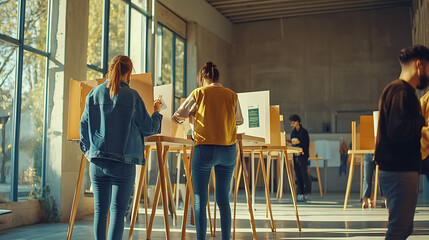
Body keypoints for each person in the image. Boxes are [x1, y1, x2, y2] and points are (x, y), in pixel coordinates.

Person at [80, 55, 163, 240]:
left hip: (97, 163)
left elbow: (83, 127)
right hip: (123, 164)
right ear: (130, 72)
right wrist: (157, 111)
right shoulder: (132, 95)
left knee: (100, 213)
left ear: (110, 70)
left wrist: (89, 153)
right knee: (118, 213)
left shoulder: (93, 94)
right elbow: (149, 128)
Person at [172, 61, 243, 240]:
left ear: (203, 78)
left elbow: (177, 115)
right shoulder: (232, 95)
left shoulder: (199, 93)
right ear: (217, 77)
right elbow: (239, 121)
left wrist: (190, 116)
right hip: (228, 150)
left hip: (204, 149)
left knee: (200, 201)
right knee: (223, 200)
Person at [374, 45, 429, 240]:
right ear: (419, 64)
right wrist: (420, 120)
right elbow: (398, 131)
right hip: (399, 171)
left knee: (403, 229)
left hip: (398, 171)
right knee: (398, 230)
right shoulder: (402, 92)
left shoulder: (397, 90)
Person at [289, 114, 310, 202]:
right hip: (295, 156)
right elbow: (293, 143)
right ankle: (299, 193)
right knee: (297, 174)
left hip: (303, 155)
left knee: (304, 174)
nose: (291, 124)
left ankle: (305, 193)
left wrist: (299, 144)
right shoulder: (293, 132)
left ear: (297, 121)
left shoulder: (304, 132)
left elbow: (306, 144)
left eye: (293, 122)